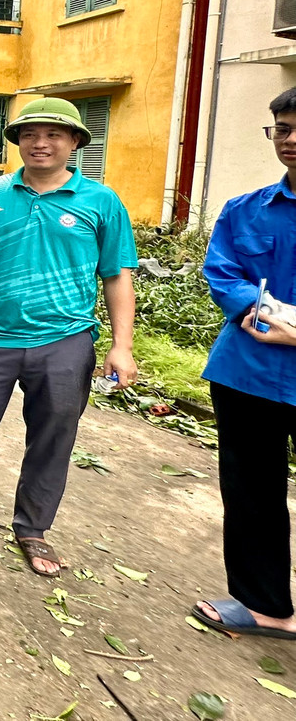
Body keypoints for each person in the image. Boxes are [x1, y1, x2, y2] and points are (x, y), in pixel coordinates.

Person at [0, 97, 138, 577]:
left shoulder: (102, 202)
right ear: (17, 142)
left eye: (54, 134)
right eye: (30, 134)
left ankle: (33, 528)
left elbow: (116, 275)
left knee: (53, 437)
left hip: (66, 340)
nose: (40, 143)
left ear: (75, 142)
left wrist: (122, 345)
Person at [192, 87, 296, 638]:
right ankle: (266, 606)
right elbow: (222, 272)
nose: (292, 138)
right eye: (282, 128)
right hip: (246, 374)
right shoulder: (244, 209)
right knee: (252, 491)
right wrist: (258, 312)